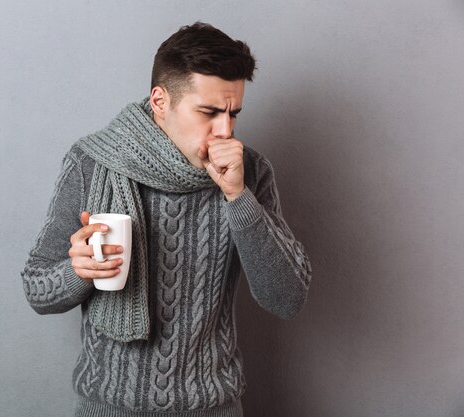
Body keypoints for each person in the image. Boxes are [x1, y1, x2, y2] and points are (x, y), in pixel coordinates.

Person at [21, 21, 312, 417]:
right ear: (160, 101)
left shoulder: (251, 172)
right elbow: (37, 290)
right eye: (208, 112)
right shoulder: (92, 164)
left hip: (213, 406)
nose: (225, 131)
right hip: (109, 407)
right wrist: (80, 271)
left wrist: (236, 196)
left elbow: (287, 298)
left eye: (234, 113)